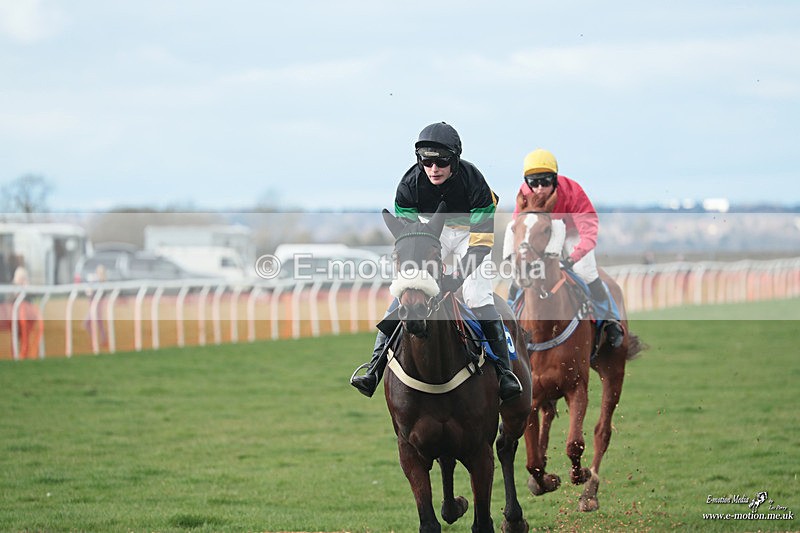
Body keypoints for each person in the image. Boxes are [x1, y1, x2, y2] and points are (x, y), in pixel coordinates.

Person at [350, 122, 523, 402]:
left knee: (478, 296)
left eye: (441, 162)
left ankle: (505, 373)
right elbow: (410, 242)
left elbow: (480, 244)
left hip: (472, 235)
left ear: (454, 160)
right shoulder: (408, 187)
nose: (433, 169)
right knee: (407, 290)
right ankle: (374, 368)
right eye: (427, 162)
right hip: (431, 232)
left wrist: (457, 277)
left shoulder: (475, 183)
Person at [511, 148, 624, 348]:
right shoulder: (524, 194)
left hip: (572, 233)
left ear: (554, 179)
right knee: (519, 274)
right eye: (533, 182)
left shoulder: (573, 191)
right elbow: (518, 226)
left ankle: (610, 320)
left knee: (586, 272)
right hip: (543, 235)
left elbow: (588, 232)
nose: (538, 188)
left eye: (545, 182)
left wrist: (572, 258)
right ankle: (510, 316)